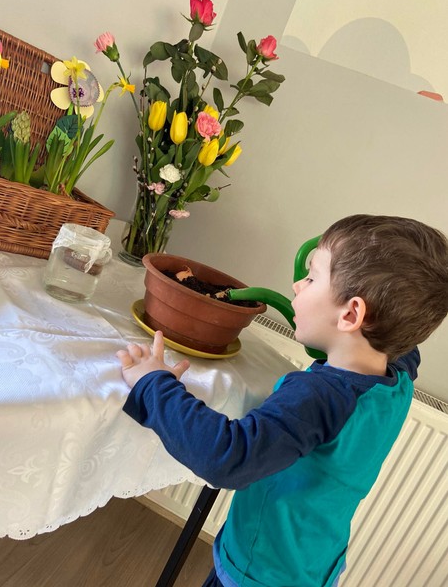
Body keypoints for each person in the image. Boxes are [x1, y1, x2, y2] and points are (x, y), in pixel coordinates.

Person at [117, 214, 448, 587]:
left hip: (260, 573)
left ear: (352, 313)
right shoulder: (398, 375)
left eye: (312, 278)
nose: (297, 284)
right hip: (313, 565)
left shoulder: (320, 397)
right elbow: (405, 344)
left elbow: (226, 456)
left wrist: (153, 383)